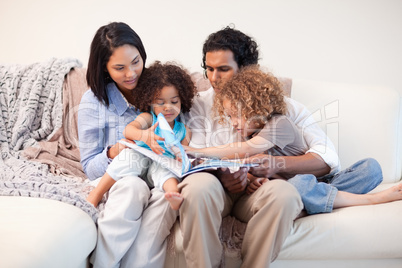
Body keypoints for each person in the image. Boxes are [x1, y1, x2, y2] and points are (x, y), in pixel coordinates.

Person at [179, 26, 382, 267]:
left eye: (223, 69)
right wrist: (223, 176)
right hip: (215, 188)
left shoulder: (283, 109)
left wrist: (274, 166)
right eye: (209, 69)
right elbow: (193, 161)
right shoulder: (196, 105)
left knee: (288, 193)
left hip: (257, 192)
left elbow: (327, 159)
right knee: (197, 187)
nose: (213, 78)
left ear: (246, 70)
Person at [186, 65, 402, 214]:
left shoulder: (280, 124)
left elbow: (243, 150)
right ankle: (319, 201)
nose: (232, 122)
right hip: (294, 186)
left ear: (255, 108)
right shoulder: (252, 132)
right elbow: (263, 173)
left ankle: (372, 199)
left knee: (370, 168)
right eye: (228, 116)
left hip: (319, 181)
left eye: (235, 114)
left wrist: (196, 152)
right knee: (295, 186)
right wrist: (257, 181)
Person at [78, 22, 176, 268]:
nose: (131, 73)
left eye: (136, 62)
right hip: (120, 177)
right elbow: (89, 166)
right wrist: (117, 149)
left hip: (156, 171)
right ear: (105, 68)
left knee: (167, 194)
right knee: (133, 187)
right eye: (119, 68)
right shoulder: (93, 101)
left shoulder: (158, 88)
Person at [87, 61, 195, 211]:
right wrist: (143, 135)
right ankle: (96, 194)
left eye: (174, 101)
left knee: (168, 173)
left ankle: (173, 195)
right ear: (150, 102)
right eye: (160, 102)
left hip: (162, 162)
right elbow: (128, 131)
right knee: (129, 157)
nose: (168, 107)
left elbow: (185, 151)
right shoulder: (149, 118)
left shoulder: (184, 130)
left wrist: (180, 157)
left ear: (182, 100)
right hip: (140, 159)